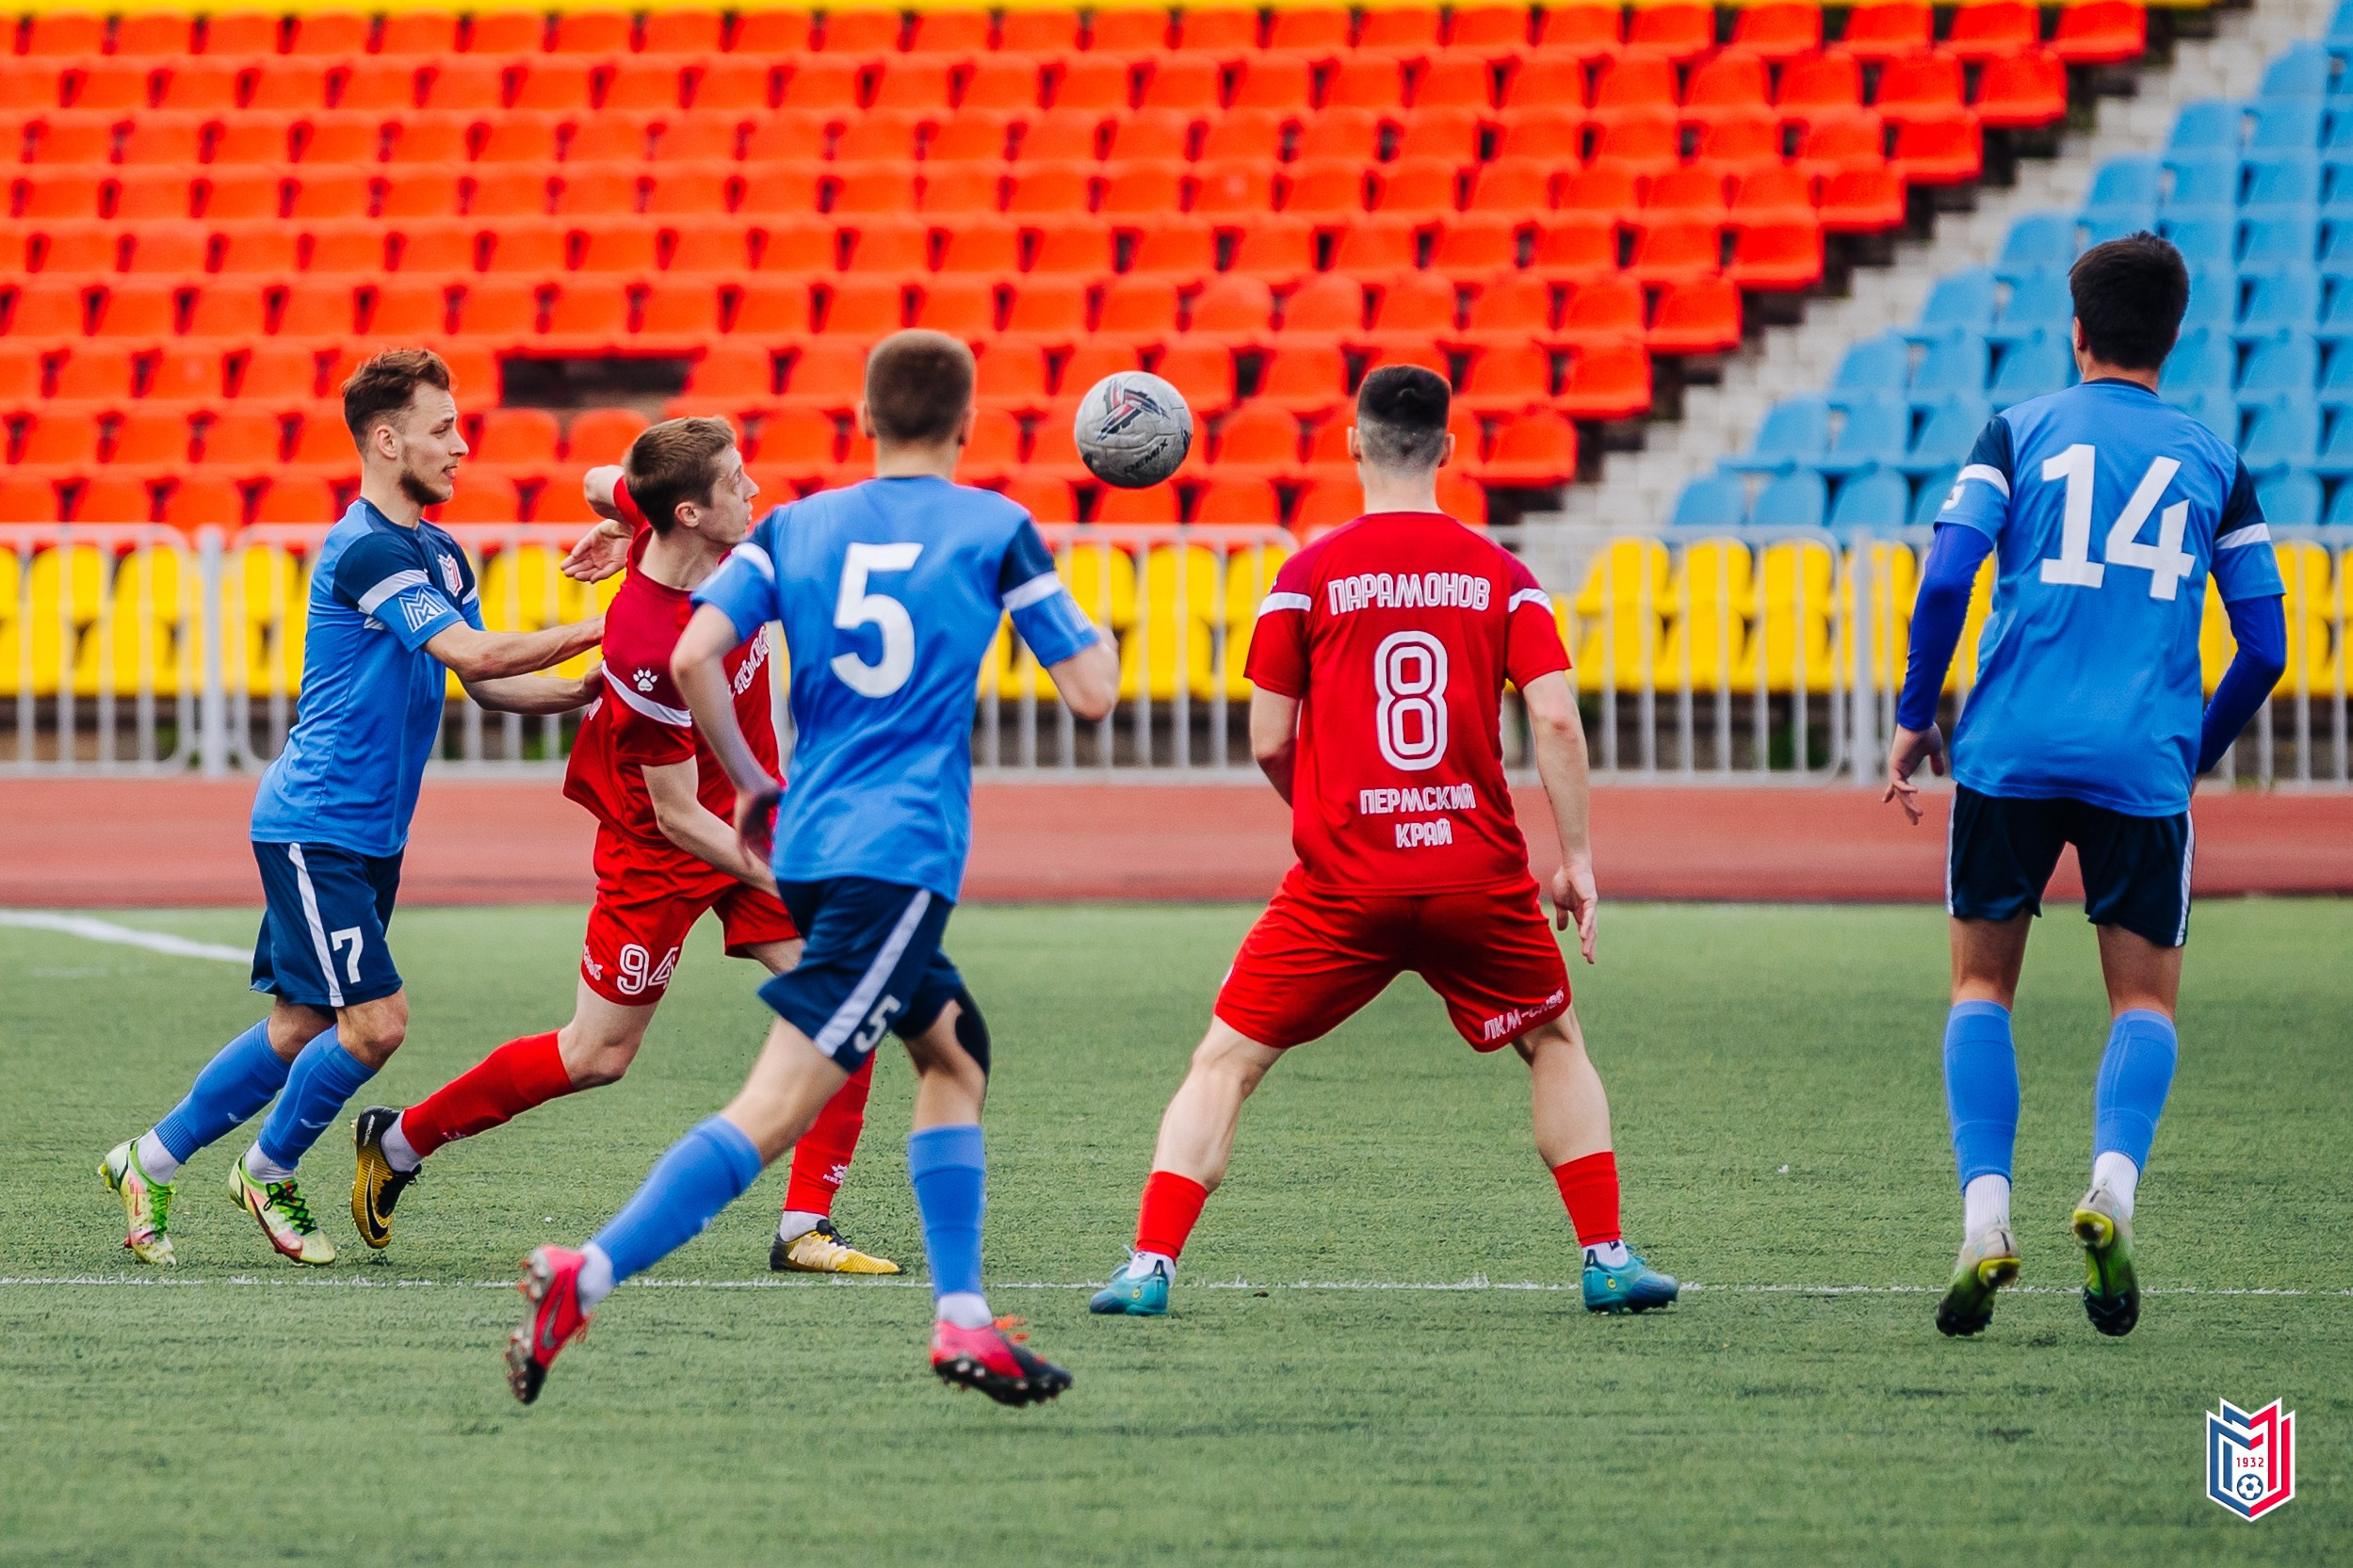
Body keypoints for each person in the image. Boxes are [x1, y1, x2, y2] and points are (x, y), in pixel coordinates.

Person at [503, 330, 1119, 1406]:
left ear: (868, 425)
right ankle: (584, 1274)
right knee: (774, 1103)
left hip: (821, 843)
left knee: (954, 1054)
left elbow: (692, 649)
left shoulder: (796, 527)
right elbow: (1092, 694)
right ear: (968, 425)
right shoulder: (996, 528)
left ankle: (963, 1320)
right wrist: (1076, 617)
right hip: (895, 854)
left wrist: (745, 778)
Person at [1089, 365, 1680, 1321]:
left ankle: (1147, 1266)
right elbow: (1558, 724)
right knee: (1552, 1041)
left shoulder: (1305, 576)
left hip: (1341, 880)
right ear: (1447, 450)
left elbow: (1268, 738)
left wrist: (1326, 812)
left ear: (1353, 445)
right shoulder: (1504, 576)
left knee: (1224, 1062)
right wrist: (1571, 862)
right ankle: (1605, 1257)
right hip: (1475, 876)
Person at [347, 417, 896, 1276]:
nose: (755, 492)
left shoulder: (689, 531)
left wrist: (614, 516)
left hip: (746, 816)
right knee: (596, 1055)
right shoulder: (649, 645)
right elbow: (677, 815)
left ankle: (804, 1227)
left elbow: (608, 478)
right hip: (661, 846)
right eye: (737, 483)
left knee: (853, 998)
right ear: (688, 513)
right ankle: (403, 1138)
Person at [99, 348, 605, 1267]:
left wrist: (583, 691)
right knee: (375, 1024)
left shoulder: (440, 550)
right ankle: (268, 1170)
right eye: (442, 427)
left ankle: (149, 1158)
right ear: (385, 438)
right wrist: (615, 620)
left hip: (366, 833)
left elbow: (486, 688)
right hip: (315, 825)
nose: (461, 445)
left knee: (298, 1025)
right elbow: (477, 655)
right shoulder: (368, 547)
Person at [1885, 233, 2289, 1339]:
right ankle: (2108, 1189)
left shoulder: (2015, 431)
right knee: (2142, 1002)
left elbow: (1946, 573)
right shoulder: (2214, 460)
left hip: (2008, 753)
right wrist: (2189, 753)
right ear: (2172, 336)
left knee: (1979, 991)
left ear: (2076, 332)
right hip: (2138, 768)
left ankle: (1982, 1218)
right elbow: (2263, 646)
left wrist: (1917, 713)